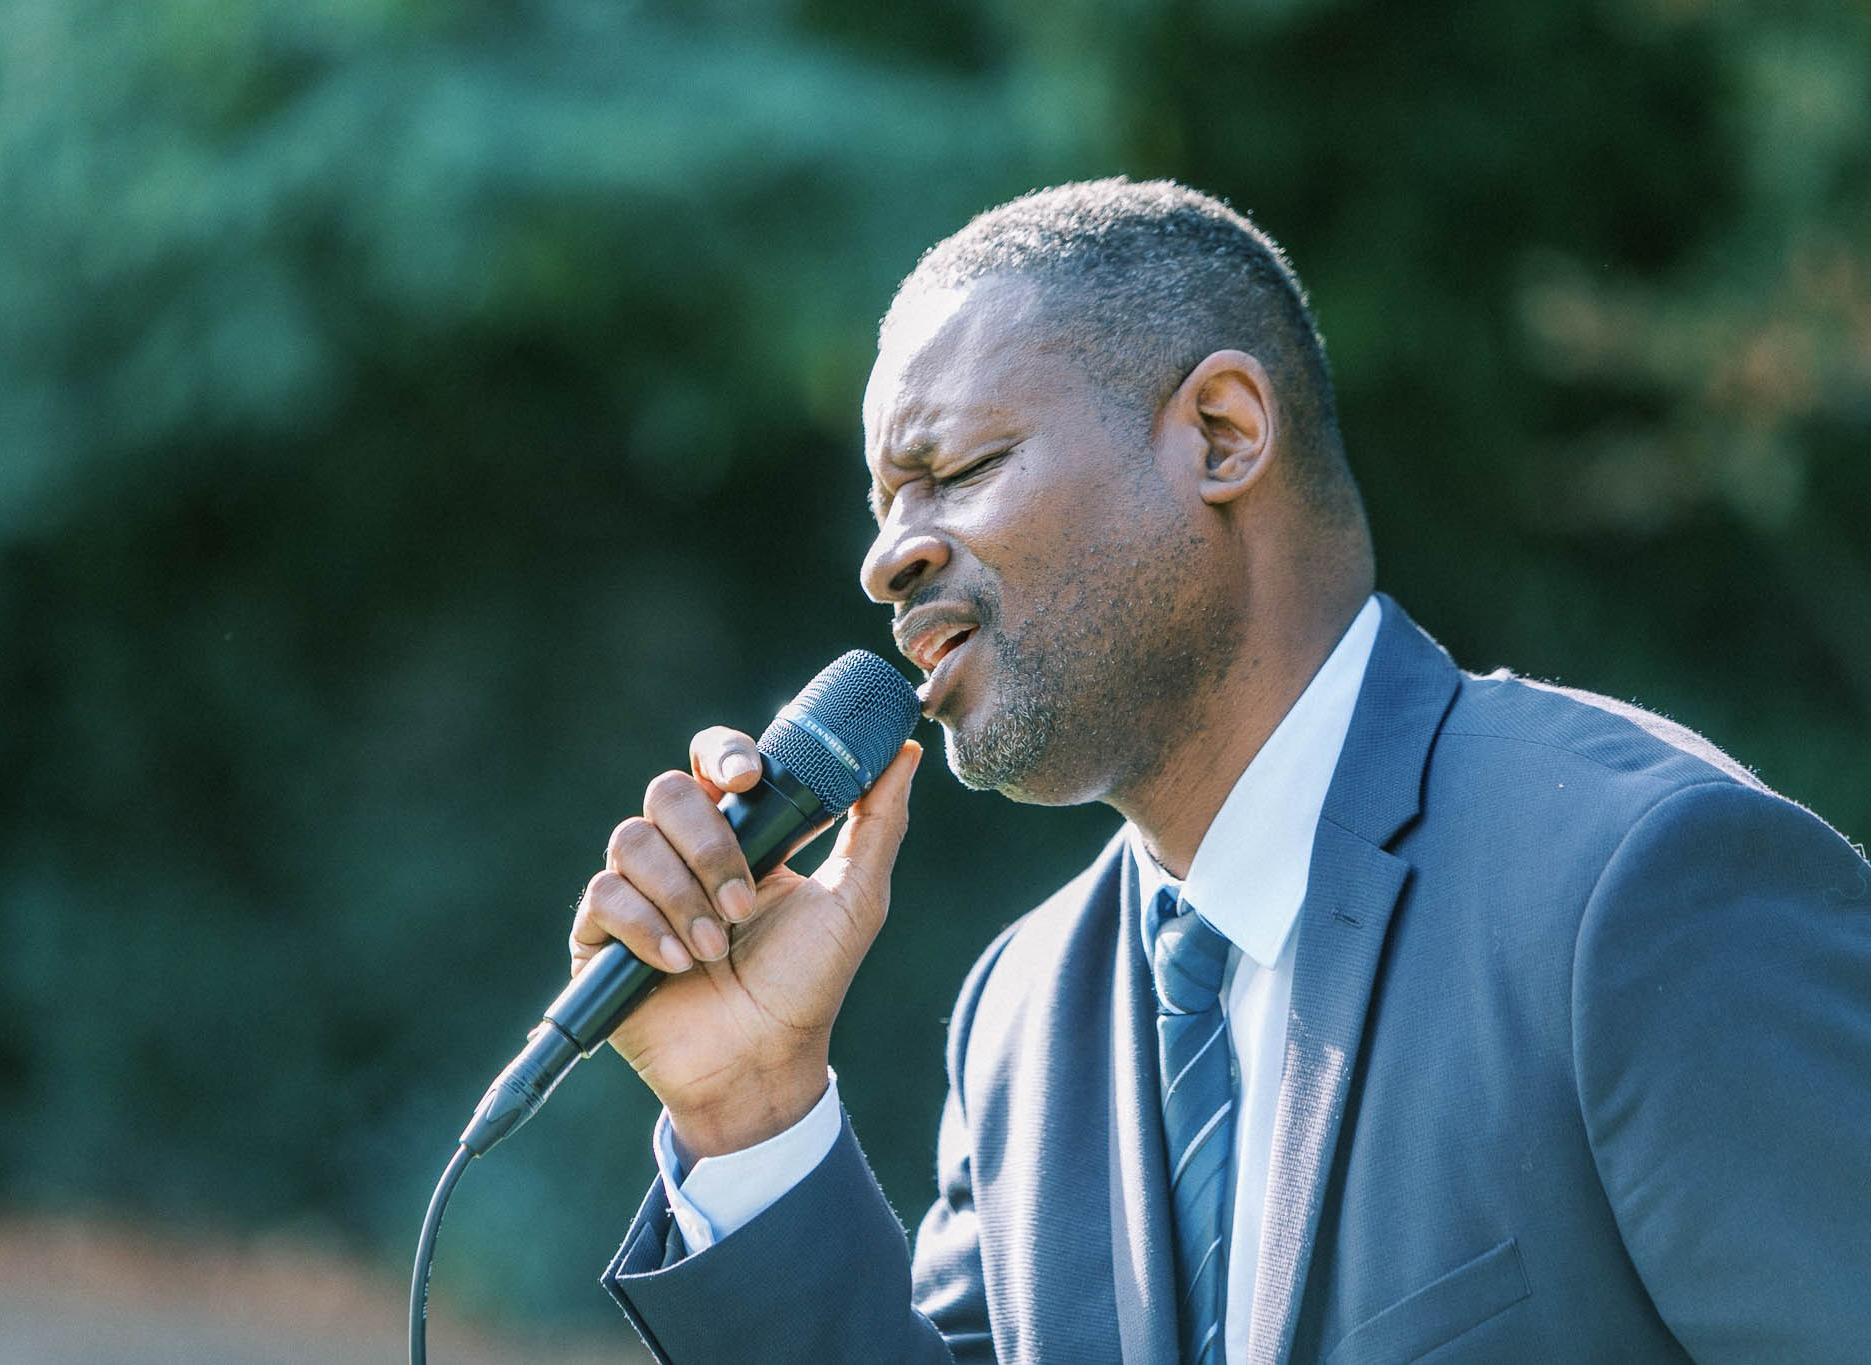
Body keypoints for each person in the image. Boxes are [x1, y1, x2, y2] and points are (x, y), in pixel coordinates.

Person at [566, 179, 1871, 1363]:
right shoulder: (1020, 1018)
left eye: (952, 471)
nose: (889, 557)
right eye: (880, 509)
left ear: (1223, 433)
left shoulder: (1643, 887)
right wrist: (753, 1104)